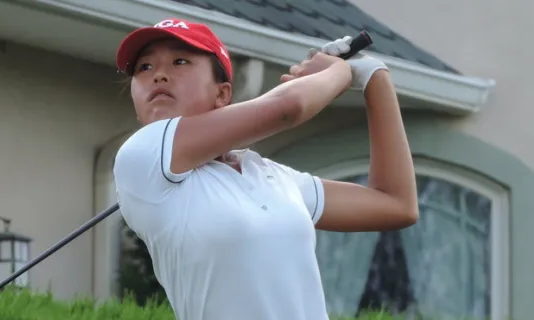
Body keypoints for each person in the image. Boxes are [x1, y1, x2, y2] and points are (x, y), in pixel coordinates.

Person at [113, 17, 419, 320]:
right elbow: (289, 107)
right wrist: (339, 71)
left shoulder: (269, 175)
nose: (159, 75)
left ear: (222, 94)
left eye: (180, 62)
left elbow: (395, 203)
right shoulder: (142, 154)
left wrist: (374, 77)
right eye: (145, 67)